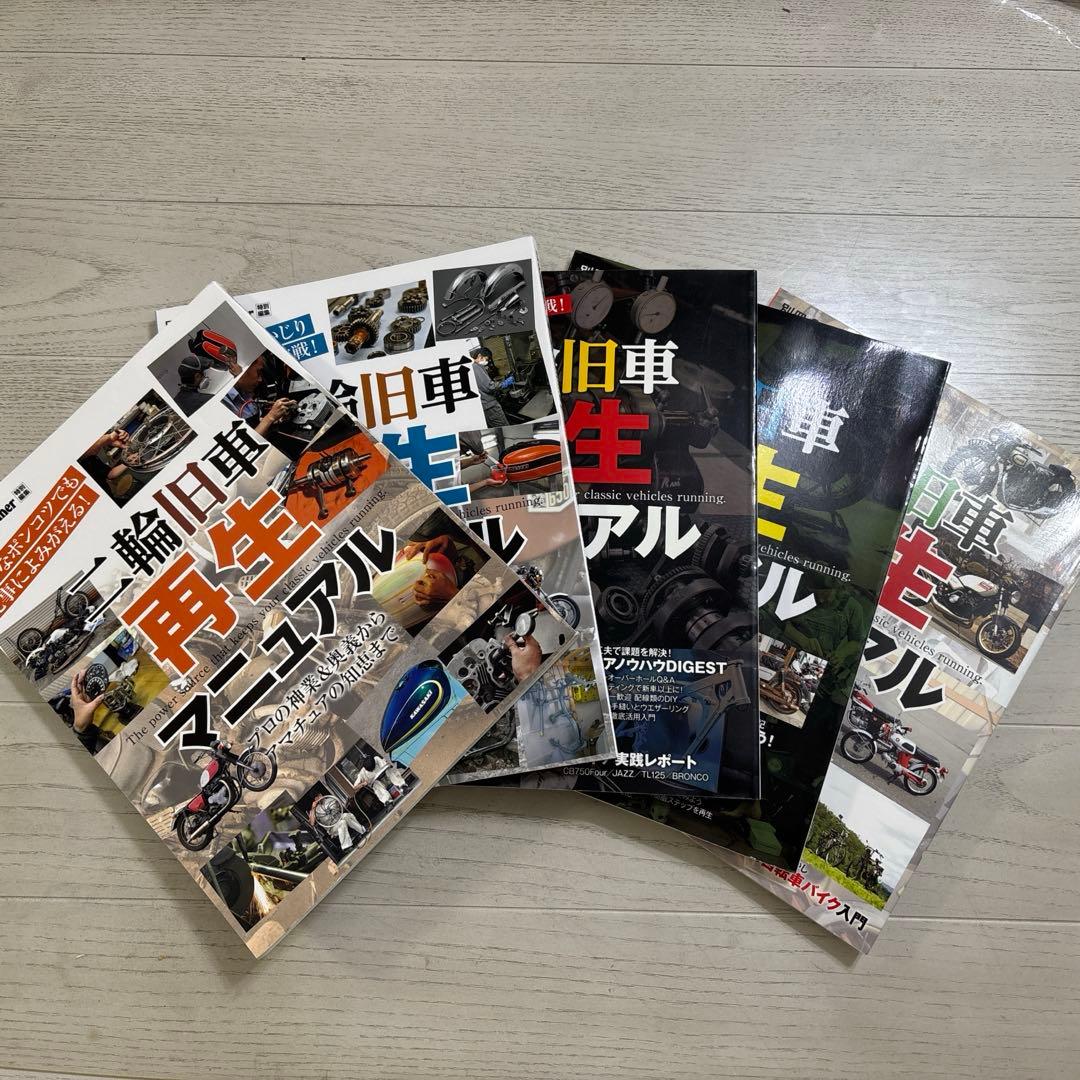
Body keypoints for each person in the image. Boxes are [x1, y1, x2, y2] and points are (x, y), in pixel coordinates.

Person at [468, 345, 513, 427]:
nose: (487, 362)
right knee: (504, 426)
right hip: (490, 406)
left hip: (485, 406)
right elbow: (489, 387)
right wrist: (504, 383)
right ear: (480, 356)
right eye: (486, 359)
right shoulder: (476, 367)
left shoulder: (472, 366)